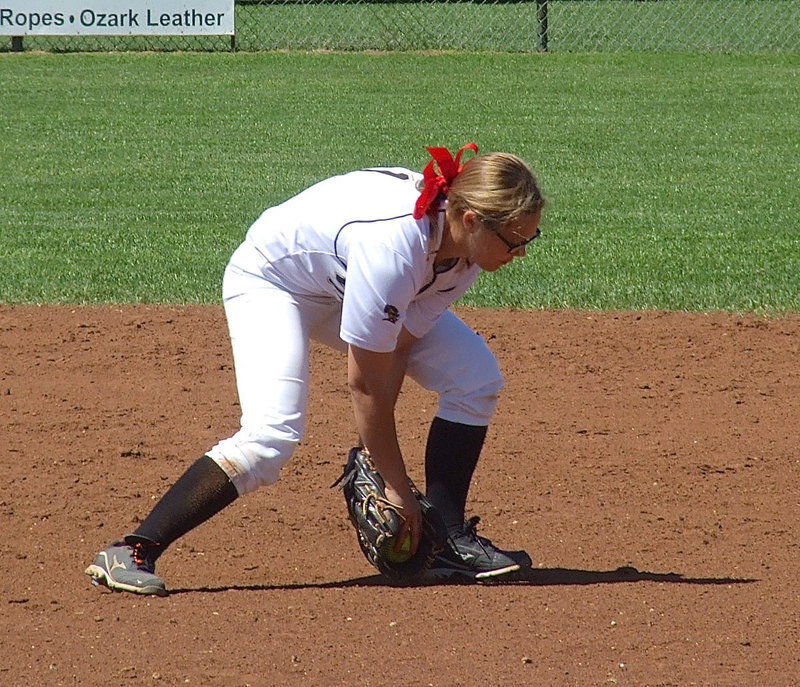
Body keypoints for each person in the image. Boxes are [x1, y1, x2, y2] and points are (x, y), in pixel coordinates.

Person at [85, 143, 545, 595]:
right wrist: (395, 485)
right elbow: (365, 385)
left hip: (342, 282)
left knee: (474, 378)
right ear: (471, 219)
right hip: (274, 282)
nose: (521, 252)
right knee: (271, 436)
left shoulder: (465, 252)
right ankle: (132, 549)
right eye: (516, 240)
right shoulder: (394, 248)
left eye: (529, 238)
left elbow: (398, 346)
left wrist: (373, 454)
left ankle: (447, 540)